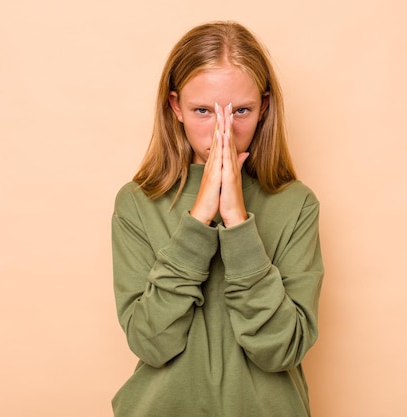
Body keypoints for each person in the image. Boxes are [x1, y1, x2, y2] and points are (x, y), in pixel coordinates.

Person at [111, 21, 324, 417]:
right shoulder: (137, 203)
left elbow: (281, 350)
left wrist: (237, 221)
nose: (222, 131)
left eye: (240, 110)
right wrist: (199, 219)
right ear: (175, 107)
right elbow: (150, 342)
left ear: (264, 108)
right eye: (203, 111)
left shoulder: (297, 204)